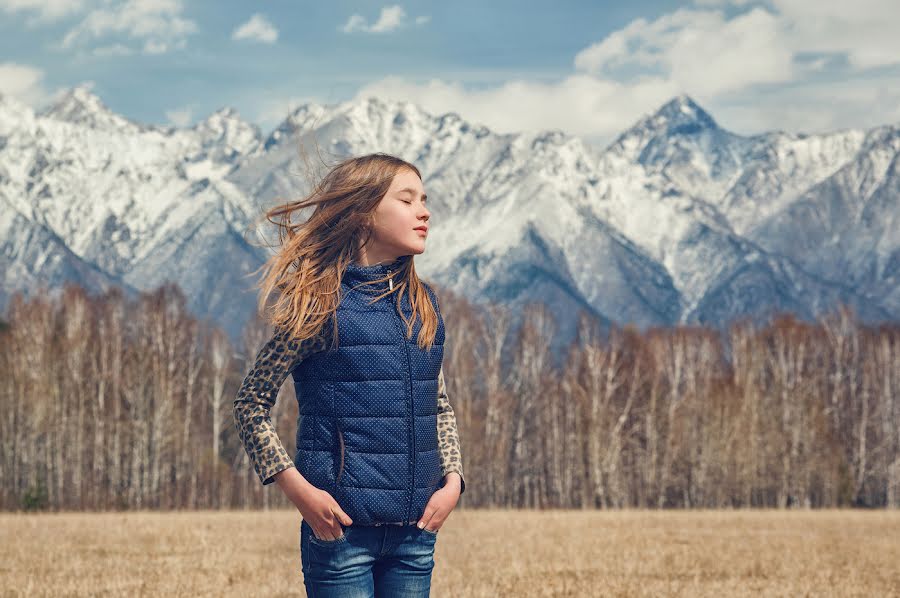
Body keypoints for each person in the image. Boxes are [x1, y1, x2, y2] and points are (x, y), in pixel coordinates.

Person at [232, 152, 466, 597]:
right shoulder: (318, 306)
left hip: (416, 535)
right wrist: (300, 492)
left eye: (425, 199)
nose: (425, 210)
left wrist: (452, 480)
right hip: (340, 536)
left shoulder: (424, 305)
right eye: (407, 199)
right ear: (363, 214)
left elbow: (438, 404)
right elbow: (250, 404)